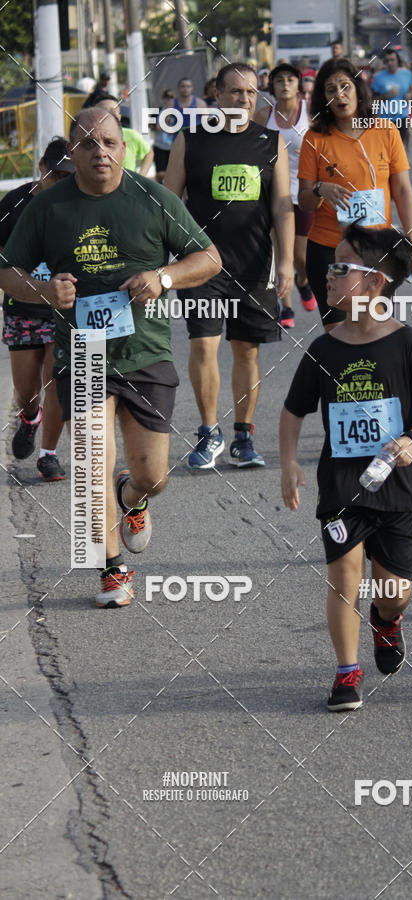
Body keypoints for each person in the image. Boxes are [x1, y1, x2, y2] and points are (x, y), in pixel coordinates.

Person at [0, 107, 221, 607]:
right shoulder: (48, 206)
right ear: (72, 153)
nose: (100, 152)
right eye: (88, 144)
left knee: (153, 476)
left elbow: (208, 258)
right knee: (92, 462)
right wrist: (43, 290)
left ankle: (132, 499)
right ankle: (111, 568)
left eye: (109, 142)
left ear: (125, 148)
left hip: (144, 351)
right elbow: (6, 271)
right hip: (82, 353)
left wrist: (162, 278)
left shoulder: (153, 199)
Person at [280, 223, 412, 711]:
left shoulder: (408, 344)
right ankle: (346, 673)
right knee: (344, 577)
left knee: (393, 592)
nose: (326, 278)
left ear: (374, 282)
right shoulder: (325, 348)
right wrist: (289, 463)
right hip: (342, 485)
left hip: (398, 486)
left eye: (339, 268)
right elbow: (293, 411)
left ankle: (387, 620)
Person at [164, 63, 294, 471]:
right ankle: (208, 432)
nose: (244, 99)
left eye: (252, 92)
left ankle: (243, 435)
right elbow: (169, 201)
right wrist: (163, 263)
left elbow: (282, 206)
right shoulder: (191, 139)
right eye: (236, 92)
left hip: (254, 263)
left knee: (246, 351)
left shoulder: (272, 142)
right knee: (203, 345)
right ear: (217, 95)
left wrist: (287, 261)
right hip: (200, 265)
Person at [298, 56, 412, 332]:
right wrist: (321, 189)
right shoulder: (315, 138)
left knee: (375, 331)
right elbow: (305, 200)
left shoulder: (386, 131)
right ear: (323, 98)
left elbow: (402, 191)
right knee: (339, 337)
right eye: (331, 90)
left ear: (358, 89)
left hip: (378, 250)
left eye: (345, 87)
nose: (340, 95)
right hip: (329, 250)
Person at [0, 138, 75, 481]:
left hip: (61, 311)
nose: (61, 181)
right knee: (26, 391)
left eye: (67, 176)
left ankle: (48, 454)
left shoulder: (79, 202)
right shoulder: (13, 204)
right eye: (56, 174)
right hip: (22, 308)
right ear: (42, 167)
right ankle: (30, 417)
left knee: (58, 378)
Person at [254, 62, 317, 329]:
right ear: (273, 86)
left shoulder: (310, 112)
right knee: (281, 253)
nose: (285, 85)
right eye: (279, 80)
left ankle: (303, 281)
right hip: (274, 194)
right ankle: (286, 306)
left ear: (298, 84)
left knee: (301, 257)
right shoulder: (262, 115)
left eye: (290, 80)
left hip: (303, 192)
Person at [93, 95, 154, 175]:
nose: (108, 115)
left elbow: (149, 153)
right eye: (103, 112)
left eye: (113, 111)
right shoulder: (88, 139)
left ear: (119, 117)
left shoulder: (132, 135)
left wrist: (141, 177)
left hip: (129, 186)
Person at [371, 49, 412, 146]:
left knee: (398, 146)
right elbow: (372, 101)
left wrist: (410, 95)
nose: (390, 63)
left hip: (401, 117)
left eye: (392, 60)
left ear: (397, 61)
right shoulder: (378, 78)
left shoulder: (407, 74)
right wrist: (386, 96)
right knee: (386, 147)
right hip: (384, 118)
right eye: (387, 61)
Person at [152, 88, 176, 183]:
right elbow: (154, 126)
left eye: (171, 97)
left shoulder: (178, 112)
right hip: (160, 146)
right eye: (167, 97)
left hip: (173, 147)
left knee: (174, 173)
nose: (169, 100)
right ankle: (159, 188)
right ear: (163, 99)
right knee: (160, 174)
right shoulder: (157, 111)